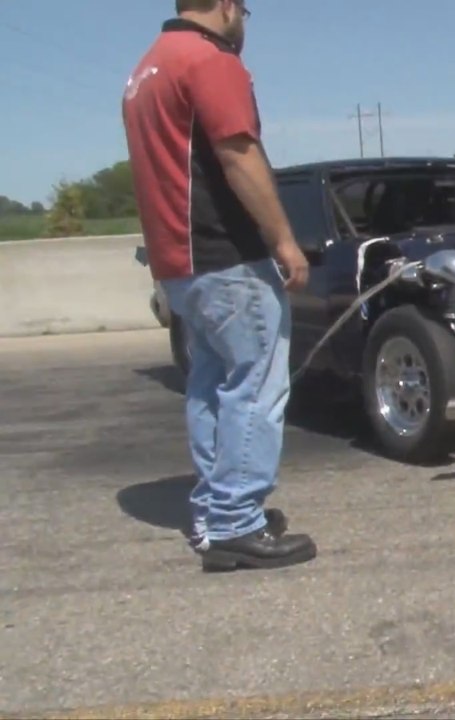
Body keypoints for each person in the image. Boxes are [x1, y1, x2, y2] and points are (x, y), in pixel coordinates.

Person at [122, 0, 317, 572]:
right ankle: (236, 522)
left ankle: (216, 511)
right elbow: (238, 152)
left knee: (212, 386)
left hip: (178, 262)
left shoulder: (146, 69)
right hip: (225, 255)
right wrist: (282, 239)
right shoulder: (210, 60)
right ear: (228, 5)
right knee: (256, 387)